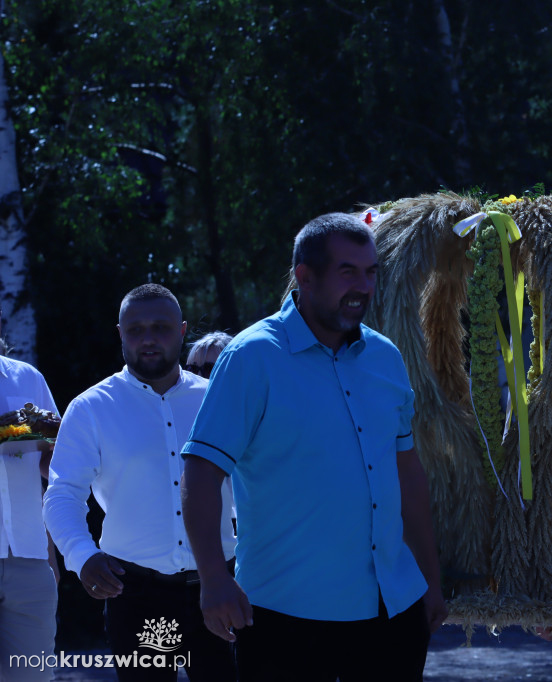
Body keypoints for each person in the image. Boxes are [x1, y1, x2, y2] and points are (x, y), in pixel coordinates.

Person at [180, 212, 447, 681]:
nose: (363, 287)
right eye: (348, 272)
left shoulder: (386, 357)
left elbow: (407, 476)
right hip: (285, 618)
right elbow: (201, 472)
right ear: (304, 276)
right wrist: (214, 579)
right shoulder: (250, 358)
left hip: (394, 609)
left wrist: (429, 578)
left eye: (370, 272)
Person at [43, 284, 236, 682]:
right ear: (120, 333)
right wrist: (82, 555)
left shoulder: (218, 399)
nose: (148, 338)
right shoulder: (91, 408)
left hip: (219, 582)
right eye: (136, 329)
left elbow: (253, 487)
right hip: (137, 596)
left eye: (161, 327)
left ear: (182, 331)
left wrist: (249, 558)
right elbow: (63, 493)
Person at [0, 307, 61, 681]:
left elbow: (53, 464)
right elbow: (17, 430)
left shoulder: (27, 377)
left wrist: (50, 551)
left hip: (29, 557)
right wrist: (16, 429)